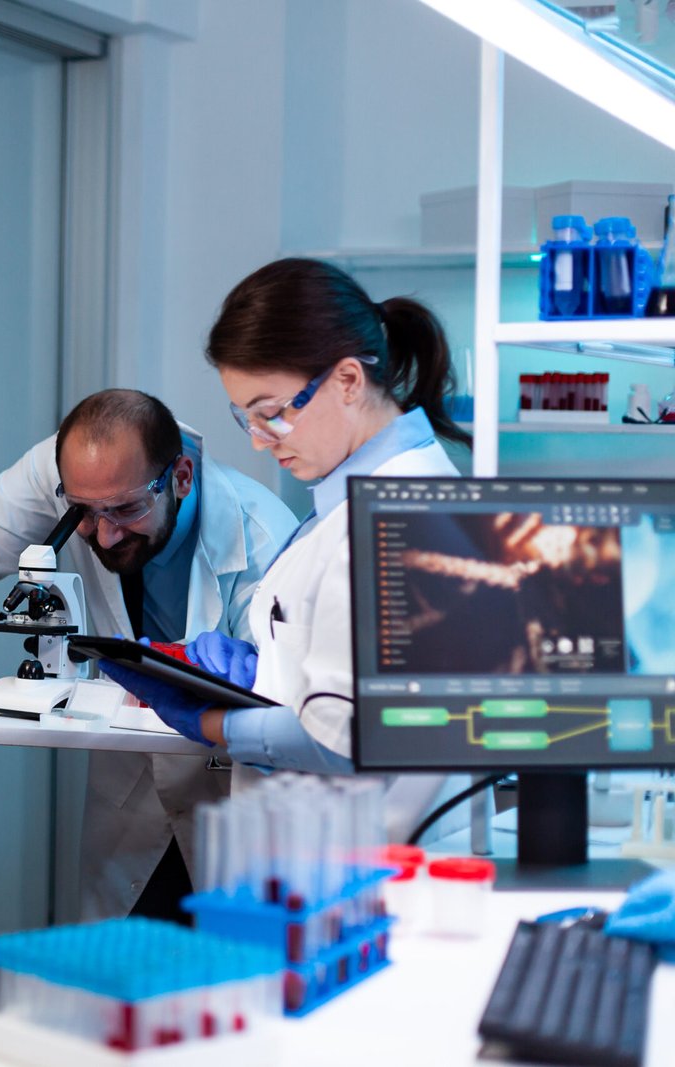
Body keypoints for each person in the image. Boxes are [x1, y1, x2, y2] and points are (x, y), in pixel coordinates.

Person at [0, 389, 298, 920]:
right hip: (132, 798)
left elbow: (290, 716)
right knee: (119, 959)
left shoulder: (262, 539)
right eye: (84, 513)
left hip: (236, 798)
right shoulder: (73, 470)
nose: (106, 536)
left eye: (127, 509)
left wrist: (251, 683)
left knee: (232, 956)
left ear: (180, 478)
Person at [99, 257, 471, 841]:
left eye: (271, 413)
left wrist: (216, 722)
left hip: (368, 857)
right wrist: (260, 676)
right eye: (245, 417)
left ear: (348, 381)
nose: (258, 440)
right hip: (323, 848)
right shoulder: (350, 499)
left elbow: (353, 738)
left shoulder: (399, 513)